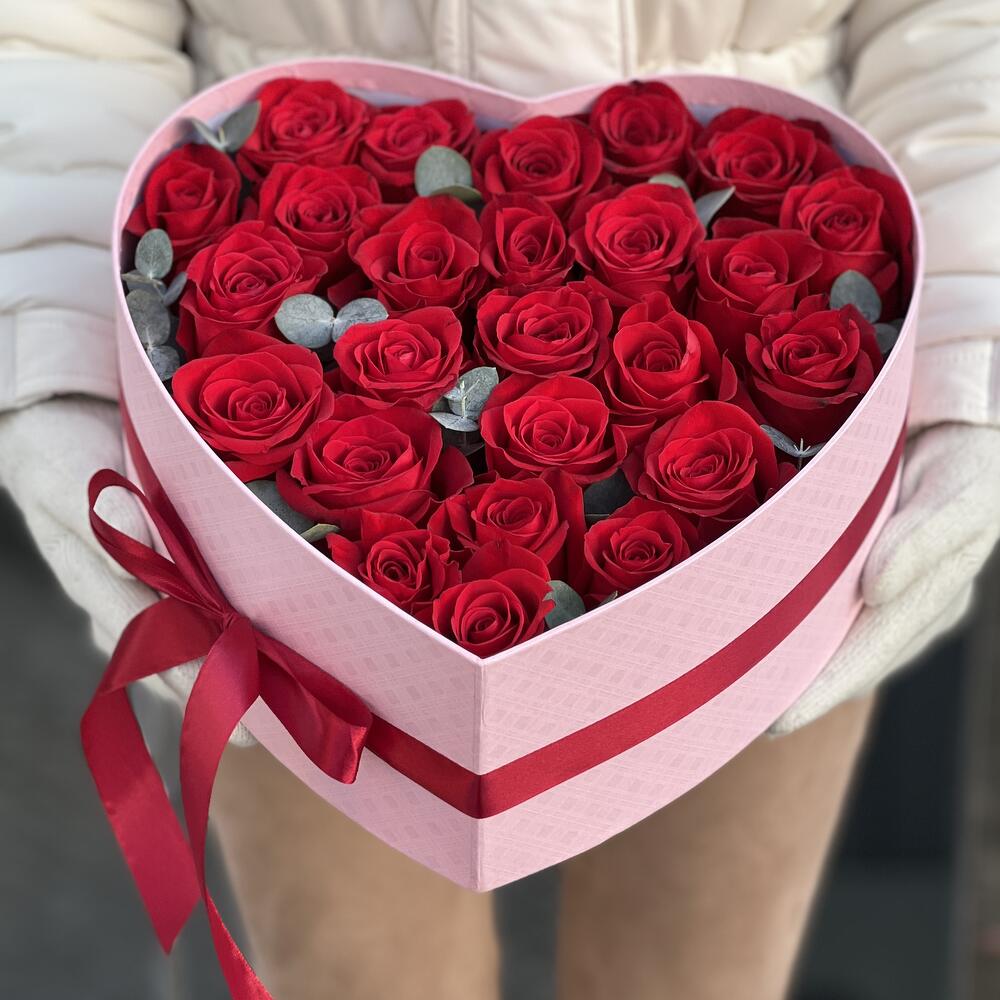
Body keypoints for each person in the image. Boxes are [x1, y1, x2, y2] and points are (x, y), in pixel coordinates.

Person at [2, 2, 1000, 998]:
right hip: (275, 564)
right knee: (355, 976)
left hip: (791, 502)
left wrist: (974, 362)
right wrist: (57, 347)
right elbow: (64, 27)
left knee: (697, 973)